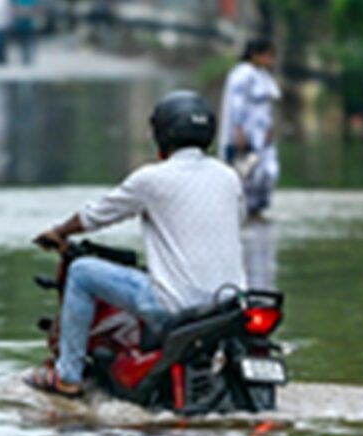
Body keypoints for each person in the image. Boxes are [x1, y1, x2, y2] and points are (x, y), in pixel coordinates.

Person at [27, 92, 247, 397]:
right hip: (227, 305)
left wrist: (59, 231)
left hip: (175, 305)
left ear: (162, 134)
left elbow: (96, 215)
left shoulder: (152, 179)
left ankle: (68, 376)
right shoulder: (229, 178)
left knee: (80, 271)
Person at [218, 38, 281, 220]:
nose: (270, 60)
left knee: (266, 171)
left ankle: (257, 210)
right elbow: (236, 105)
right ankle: (241, 212)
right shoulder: (242, 75)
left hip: (262, 134)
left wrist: (269, 129)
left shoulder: (262, 75)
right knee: (245, 173)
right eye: (267, 55)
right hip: (246, 133)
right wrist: (238, 131)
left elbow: (266, 106)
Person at [13, 0, 39, 65]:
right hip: (20, 24)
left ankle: (27, 56)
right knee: (23, 42)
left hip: (29, 24)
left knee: (28, 41)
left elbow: (36, 8)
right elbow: (13, 9)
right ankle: (25, 56)